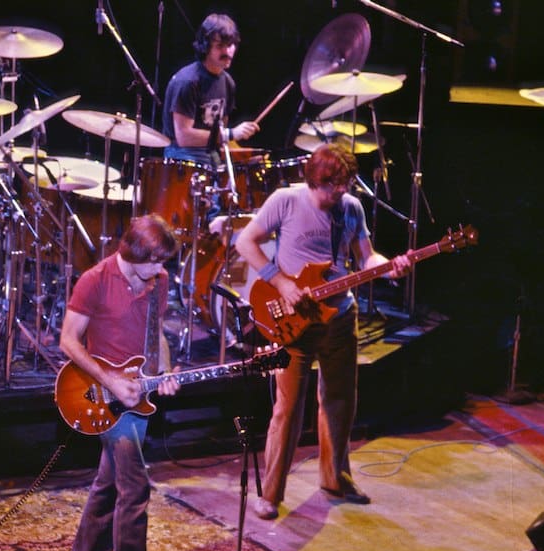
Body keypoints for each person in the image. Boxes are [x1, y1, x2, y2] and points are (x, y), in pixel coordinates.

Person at [233, 144, 411, 520]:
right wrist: (279, 281)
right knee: (288, 408)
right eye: (336, 186)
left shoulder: (351, 209)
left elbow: (367, 257)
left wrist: (388, 266)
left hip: (340, 316)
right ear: (317, 181)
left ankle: (335, 479)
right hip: (293, 322)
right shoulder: (286, 201)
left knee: (340, 400)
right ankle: (270, 494)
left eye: (347, 184)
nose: (342, 192)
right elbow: (244, 242)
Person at [59, 215, 182, 551]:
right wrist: (110, 381)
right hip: (100, 397)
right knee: (135, 486)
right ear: (133, 255)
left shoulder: (157, 283)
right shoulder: (94, 280)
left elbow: (157, 332)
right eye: (155, 262)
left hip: (138, 394)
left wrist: (162, 374)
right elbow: (68, 340)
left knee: (109, 480)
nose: (161, 270)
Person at [162, 13, 260, 167]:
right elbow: (184, 137)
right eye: (220, 46)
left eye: (231, 45)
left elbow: (219, 136)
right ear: (205, 46)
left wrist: (244, 158)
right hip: (183, 158)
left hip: (212, 156)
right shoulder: (187, 81)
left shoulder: (228, 83)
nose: (227, 52)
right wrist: (231, 134)